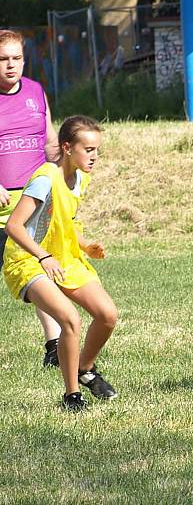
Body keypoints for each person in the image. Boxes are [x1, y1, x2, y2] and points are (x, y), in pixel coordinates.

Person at [3, 115, 119, 411]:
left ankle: (85, 369)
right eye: (88, 149)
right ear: (67, 147)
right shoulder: (45, 180)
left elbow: (67, 219)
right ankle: (72, 395)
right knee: (70, 319)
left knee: (107, 315)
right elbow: (14, 227)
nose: (94, 156)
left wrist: (84, 244)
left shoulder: (80, 177)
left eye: (97, 150)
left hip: (62, 256)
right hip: (27, 260)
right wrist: (43, 256)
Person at [0, 29, 63, 367]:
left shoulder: (36, 92)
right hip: (1, 206)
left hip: (34, 203)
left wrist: (60, 172)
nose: (11, 65)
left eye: (16, 58)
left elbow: (49, 138)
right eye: (3, 59)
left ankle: (54, 346)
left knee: (40, 270)